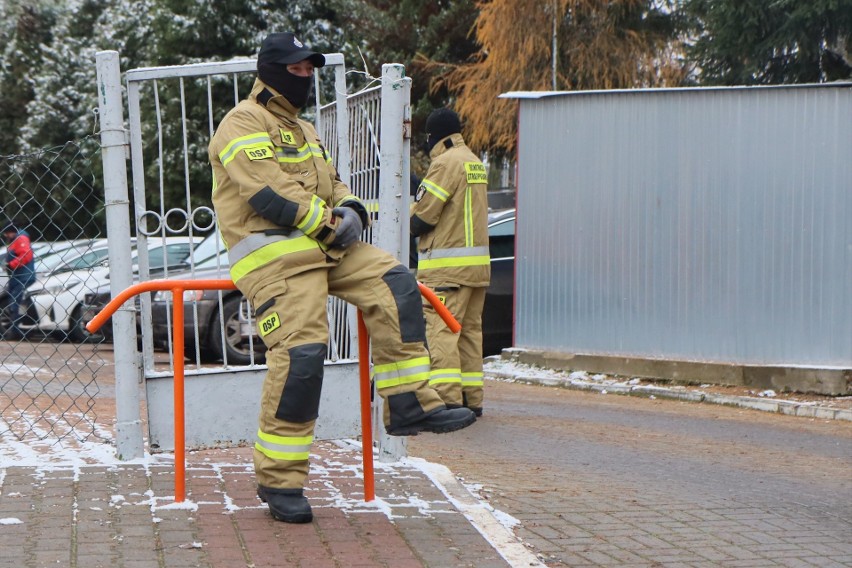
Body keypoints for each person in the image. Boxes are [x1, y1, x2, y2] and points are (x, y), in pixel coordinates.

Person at [208, 32, 476, 524]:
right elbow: (270, 194)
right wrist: (335, 223)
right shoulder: (242, 122)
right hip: (274, 261)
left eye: (310, 70)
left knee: (396, 284)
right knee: (303, 357)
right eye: (296, 70)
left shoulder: (306, 131)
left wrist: (352, 208)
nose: (305, 77)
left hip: (324, 248)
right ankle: (279, 479)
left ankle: (410, 404)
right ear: (269, 70)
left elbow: (334, 185)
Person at [410, 108, 491, 417]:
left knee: (442, 330)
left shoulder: (444, 163)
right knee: (469, 333)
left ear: (434, 137)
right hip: (476, 270)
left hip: (447, 269)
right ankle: (473, 399)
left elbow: (424, 215)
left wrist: (408, 214)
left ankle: (446, 401)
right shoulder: (473, 161)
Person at [2, 222, 36, 339]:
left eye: (7, 233)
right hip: (17, 277)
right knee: (14, 303)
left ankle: (15, 332)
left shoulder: (21, 238)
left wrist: (11, 264)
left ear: (12, 231)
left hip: (22, 277)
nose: (6, 236)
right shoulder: (16, 239)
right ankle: (14, 330)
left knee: (16, 304)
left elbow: (26, 255)